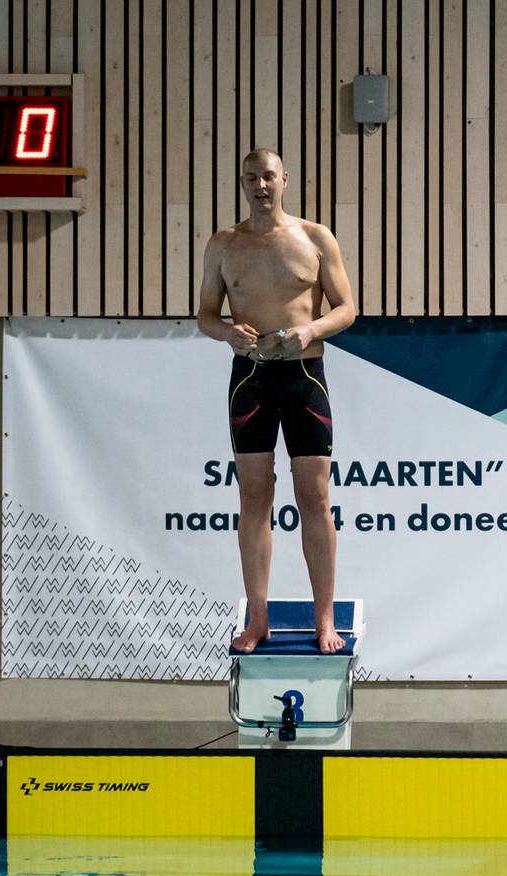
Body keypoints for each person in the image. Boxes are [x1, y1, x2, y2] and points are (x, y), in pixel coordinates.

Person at [196, 147, 356, 654]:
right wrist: (226, 333)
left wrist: (311, 327)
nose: (260, 185)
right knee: (253, 499)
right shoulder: (223, 245)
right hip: (251, 378)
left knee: (315, 498)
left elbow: (348, 308)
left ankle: (324, 620)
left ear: (284, 179)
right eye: (251, 178)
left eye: (268, 176)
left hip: (304, 375)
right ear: (242, 183)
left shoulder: (314, 237)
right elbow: (204, 314)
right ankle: (258, 619)